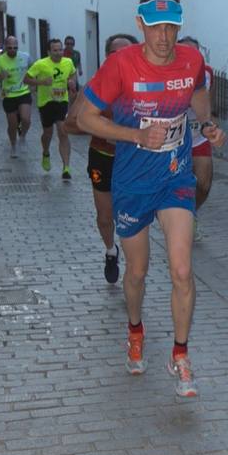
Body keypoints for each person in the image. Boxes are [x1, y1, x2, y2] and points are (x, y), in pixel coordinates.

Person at [74, 0, 226, 398]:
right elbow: (82, 117)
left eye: (171, 27)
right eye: (155, 27)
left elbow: (195, 89)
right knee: (137, 272)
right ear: (140, 25)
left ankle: (180, 355)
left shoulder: (192, 59)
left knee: (181, 270)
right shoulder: (121, 65)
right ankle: (136, 329)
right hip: (132, 180)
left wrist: (206, 121)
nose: (163, 37)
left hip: (175, 175)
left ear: (180, 27)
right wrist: (135, 134)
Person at [65, 32, 139, 284]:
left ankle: (134, 262)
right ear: (107, 57)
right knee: (106, 216)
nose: (119, 58)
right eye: (113, 53)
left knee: (132, 215)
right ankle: (110, 251)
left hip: (135, 161)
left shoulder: (146, 85)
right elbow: (70, 124)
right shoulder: (96, 85)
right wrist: (103, 128)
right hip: (103, 157)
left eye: (124, 52)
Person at [179, 36, 217, 240]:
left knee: (203, 184)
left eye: (194, 53)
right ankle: (179, 220)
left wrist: (209, 124)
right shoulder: (170, 75)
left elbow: (208, 103)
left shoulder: (207, 73)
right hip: (176, 140)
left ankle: (192, 213)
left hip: (198, 136)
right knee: (179, 185)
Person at [25, 38, 78, 178]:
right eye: (55, 50)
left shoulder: (68, 62)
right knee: (48, 133)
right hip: (46, 103)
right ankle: (46, 152)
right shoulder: (40, 64)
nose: (58, 53)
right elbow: (26, 79)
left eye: (60, 50)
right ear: (49, 51)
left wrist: (72, 81)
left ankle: (66, 167)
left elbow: (73, 72)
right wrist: (41, 82)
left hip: (61, 101)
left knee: (63, 131)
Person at [0, 36, 31, 158]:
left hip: (23, 92)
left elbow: (34, 69)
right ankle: (13, 145)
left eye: (15, 47)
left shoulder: (25, 57)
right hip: (8, 95)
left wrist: (34, 82)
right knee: (12, 125)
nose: (12, 50)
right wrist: (1, 77)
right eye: (9, 48)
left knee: (26, 119)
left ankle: (23, 136)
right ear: (5, 47)